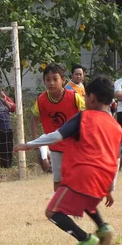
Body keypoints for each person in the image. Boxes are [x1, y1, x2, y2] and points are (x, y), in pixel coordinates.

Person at [15, 77, 121, 245]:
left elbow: (56, 136)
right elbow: (116, 159)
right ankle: (103, 227)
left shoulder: (85, 117)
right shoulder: (116, 127)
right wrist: (109, 188)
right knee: (85, 200)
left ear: (92, 98)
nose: (85, 101)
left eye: (86, 97)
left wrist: (29, 145)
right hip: (103, 177)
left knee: (52, 212)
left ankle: (85, 238)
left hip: (83, 174)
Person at [30, 63, 85, 191]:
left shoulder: (74, 97)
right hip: (56, 147)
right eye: (48, 80)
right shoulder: (41, 100)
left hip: (74, 145)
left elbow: (87, 114)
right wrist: (35, 142)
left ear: (63, 80)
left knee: (76, 178)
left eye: (55, 79)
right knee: (58, 180)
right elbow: (34, 119)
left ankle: (77, 208)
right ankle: (60, 208)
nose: (52, 83)